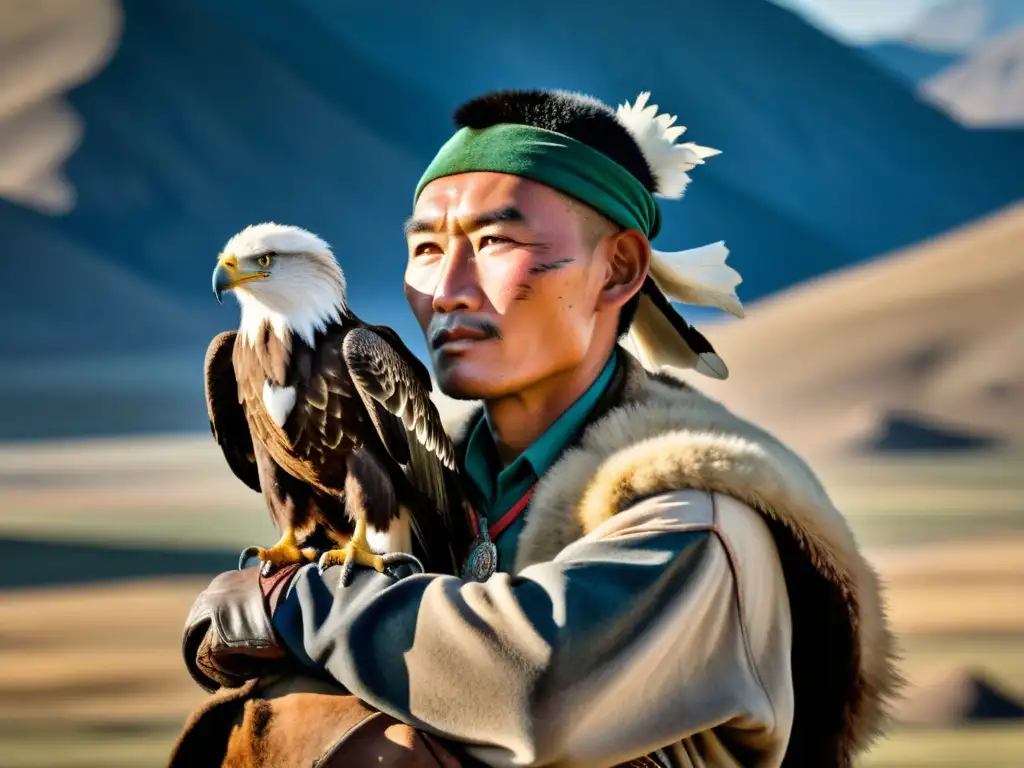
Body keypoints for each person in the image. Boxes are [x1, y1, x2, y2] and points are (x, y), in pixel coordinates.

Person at [181, 88, 900, 767]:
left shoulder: (697, 519)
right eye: (427, 249)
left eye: (494, 243)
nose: (447, 289)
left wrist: (289, 604)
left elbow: (525, 686)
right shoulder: (449, 482)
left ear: (617, 270)